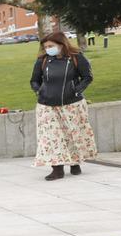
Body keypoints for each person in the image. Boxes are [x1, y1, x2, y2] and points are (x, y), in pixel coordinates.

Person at [30, 32, 96, 180]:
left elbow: (87, 77)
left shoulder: (76, 57)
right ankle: (57, 169)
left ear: (61, 44)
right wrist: (39, 90)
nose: (48, 49)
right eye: (46, 46)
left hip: (72, 104)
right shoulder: (42, 61)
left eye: (51, 46)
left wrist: (76, 90)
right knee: (51, 137)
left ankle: (75, 162)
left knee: (72, 134)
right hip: (46, 105)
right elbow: (34, 80)